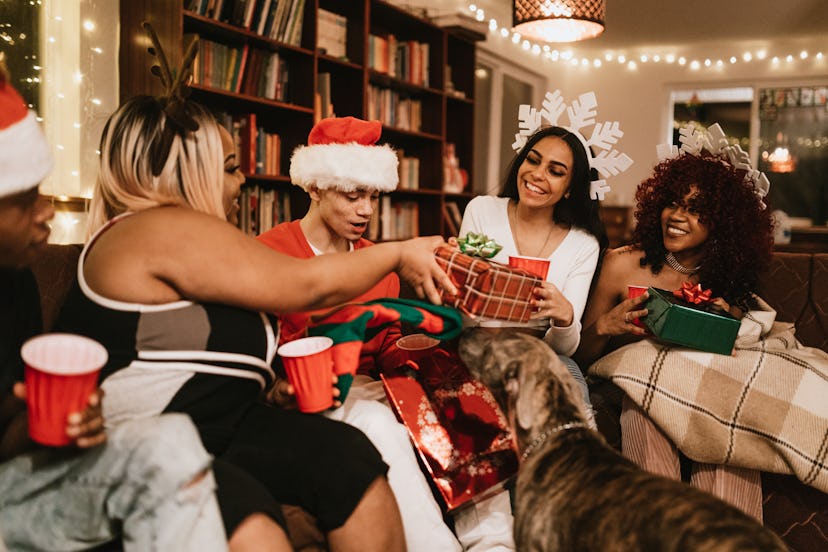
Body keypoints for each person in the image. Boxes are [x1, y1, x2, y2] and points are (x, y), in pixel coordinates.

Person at [54, 34, 456, 550]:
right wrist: (401, 252)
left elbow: (204, 354)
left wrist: (270, 388)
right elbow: (303, 285)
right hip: (156, 434)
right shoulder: (152, 230)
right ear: (186, 172)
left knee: (349, 458)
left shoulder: (201, 249)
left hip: (228, 423)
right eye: (229, 168)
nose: (241, 182)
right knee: (264, 512)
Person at [0, 63, 236, 552]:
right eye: (24, 200)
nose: (46, 212)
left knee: (169, 442)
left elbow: (7, 439)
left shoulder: (14, 281)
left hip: (17, 486)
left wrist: (48, 422)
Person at [257, 116, 463, 552]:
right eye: (352, 196)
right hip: (311, 399)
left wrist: (423, 347)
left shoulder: (378, 262)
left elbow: (388, 344)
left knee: (463, 399)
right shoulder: (270, 253)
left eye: (372, 195)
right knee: (373, 420)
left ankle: (492, 540)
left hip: (374, 389)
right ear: (313, 187)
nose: (366, 210)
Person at [575, 125, 775, 520]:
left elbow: (738, 353)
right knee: (644, 414)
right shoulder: (621, 265)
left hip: (705, 395)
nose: (678, 217)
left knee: (728, 429)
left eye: (696, 209)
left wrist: (726, 321)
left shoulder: (726, 281)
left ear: (723, 224)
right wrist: (606, 327)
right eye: (673, 203)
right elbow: (577, 358)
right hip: (638, 392)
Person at [455, 123, 610, 551]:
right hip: (478, 343)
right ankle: (493, 540)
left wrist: (564, 317)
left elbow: (566, 347)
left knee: (567, 390)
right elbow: (459, 307)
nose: (538, 174)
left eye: (557, 171)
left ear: (570, 188)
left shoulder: (582, 244)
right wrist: (462, 274)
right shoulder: (482, 210)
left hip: (543, 353)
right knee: (476, 401)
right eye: (534, 160)